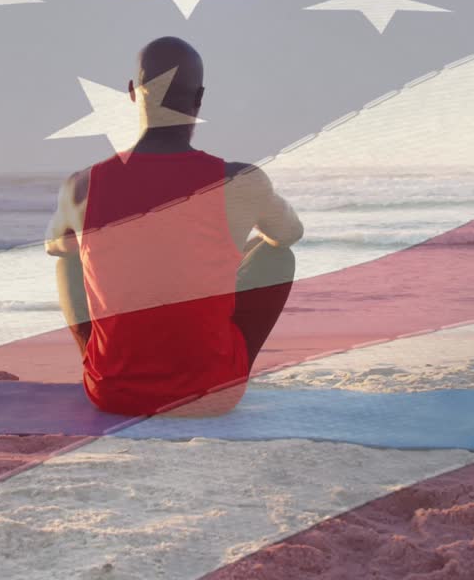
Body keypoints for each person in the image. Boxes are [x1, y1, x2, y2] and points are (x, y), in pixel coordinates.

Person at [45, 37, 302, 416]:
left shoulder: (82, 186)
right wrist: (230, 247)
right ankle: (227, 371)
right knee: (277, 257)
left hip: (114, 396)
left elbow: (56, 246)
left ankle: (99, 365)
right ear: (199, 98)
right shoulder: (239, 181)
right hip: (211, 396)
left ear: (132, 93)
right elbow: (288, 235)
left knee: (70, 258)